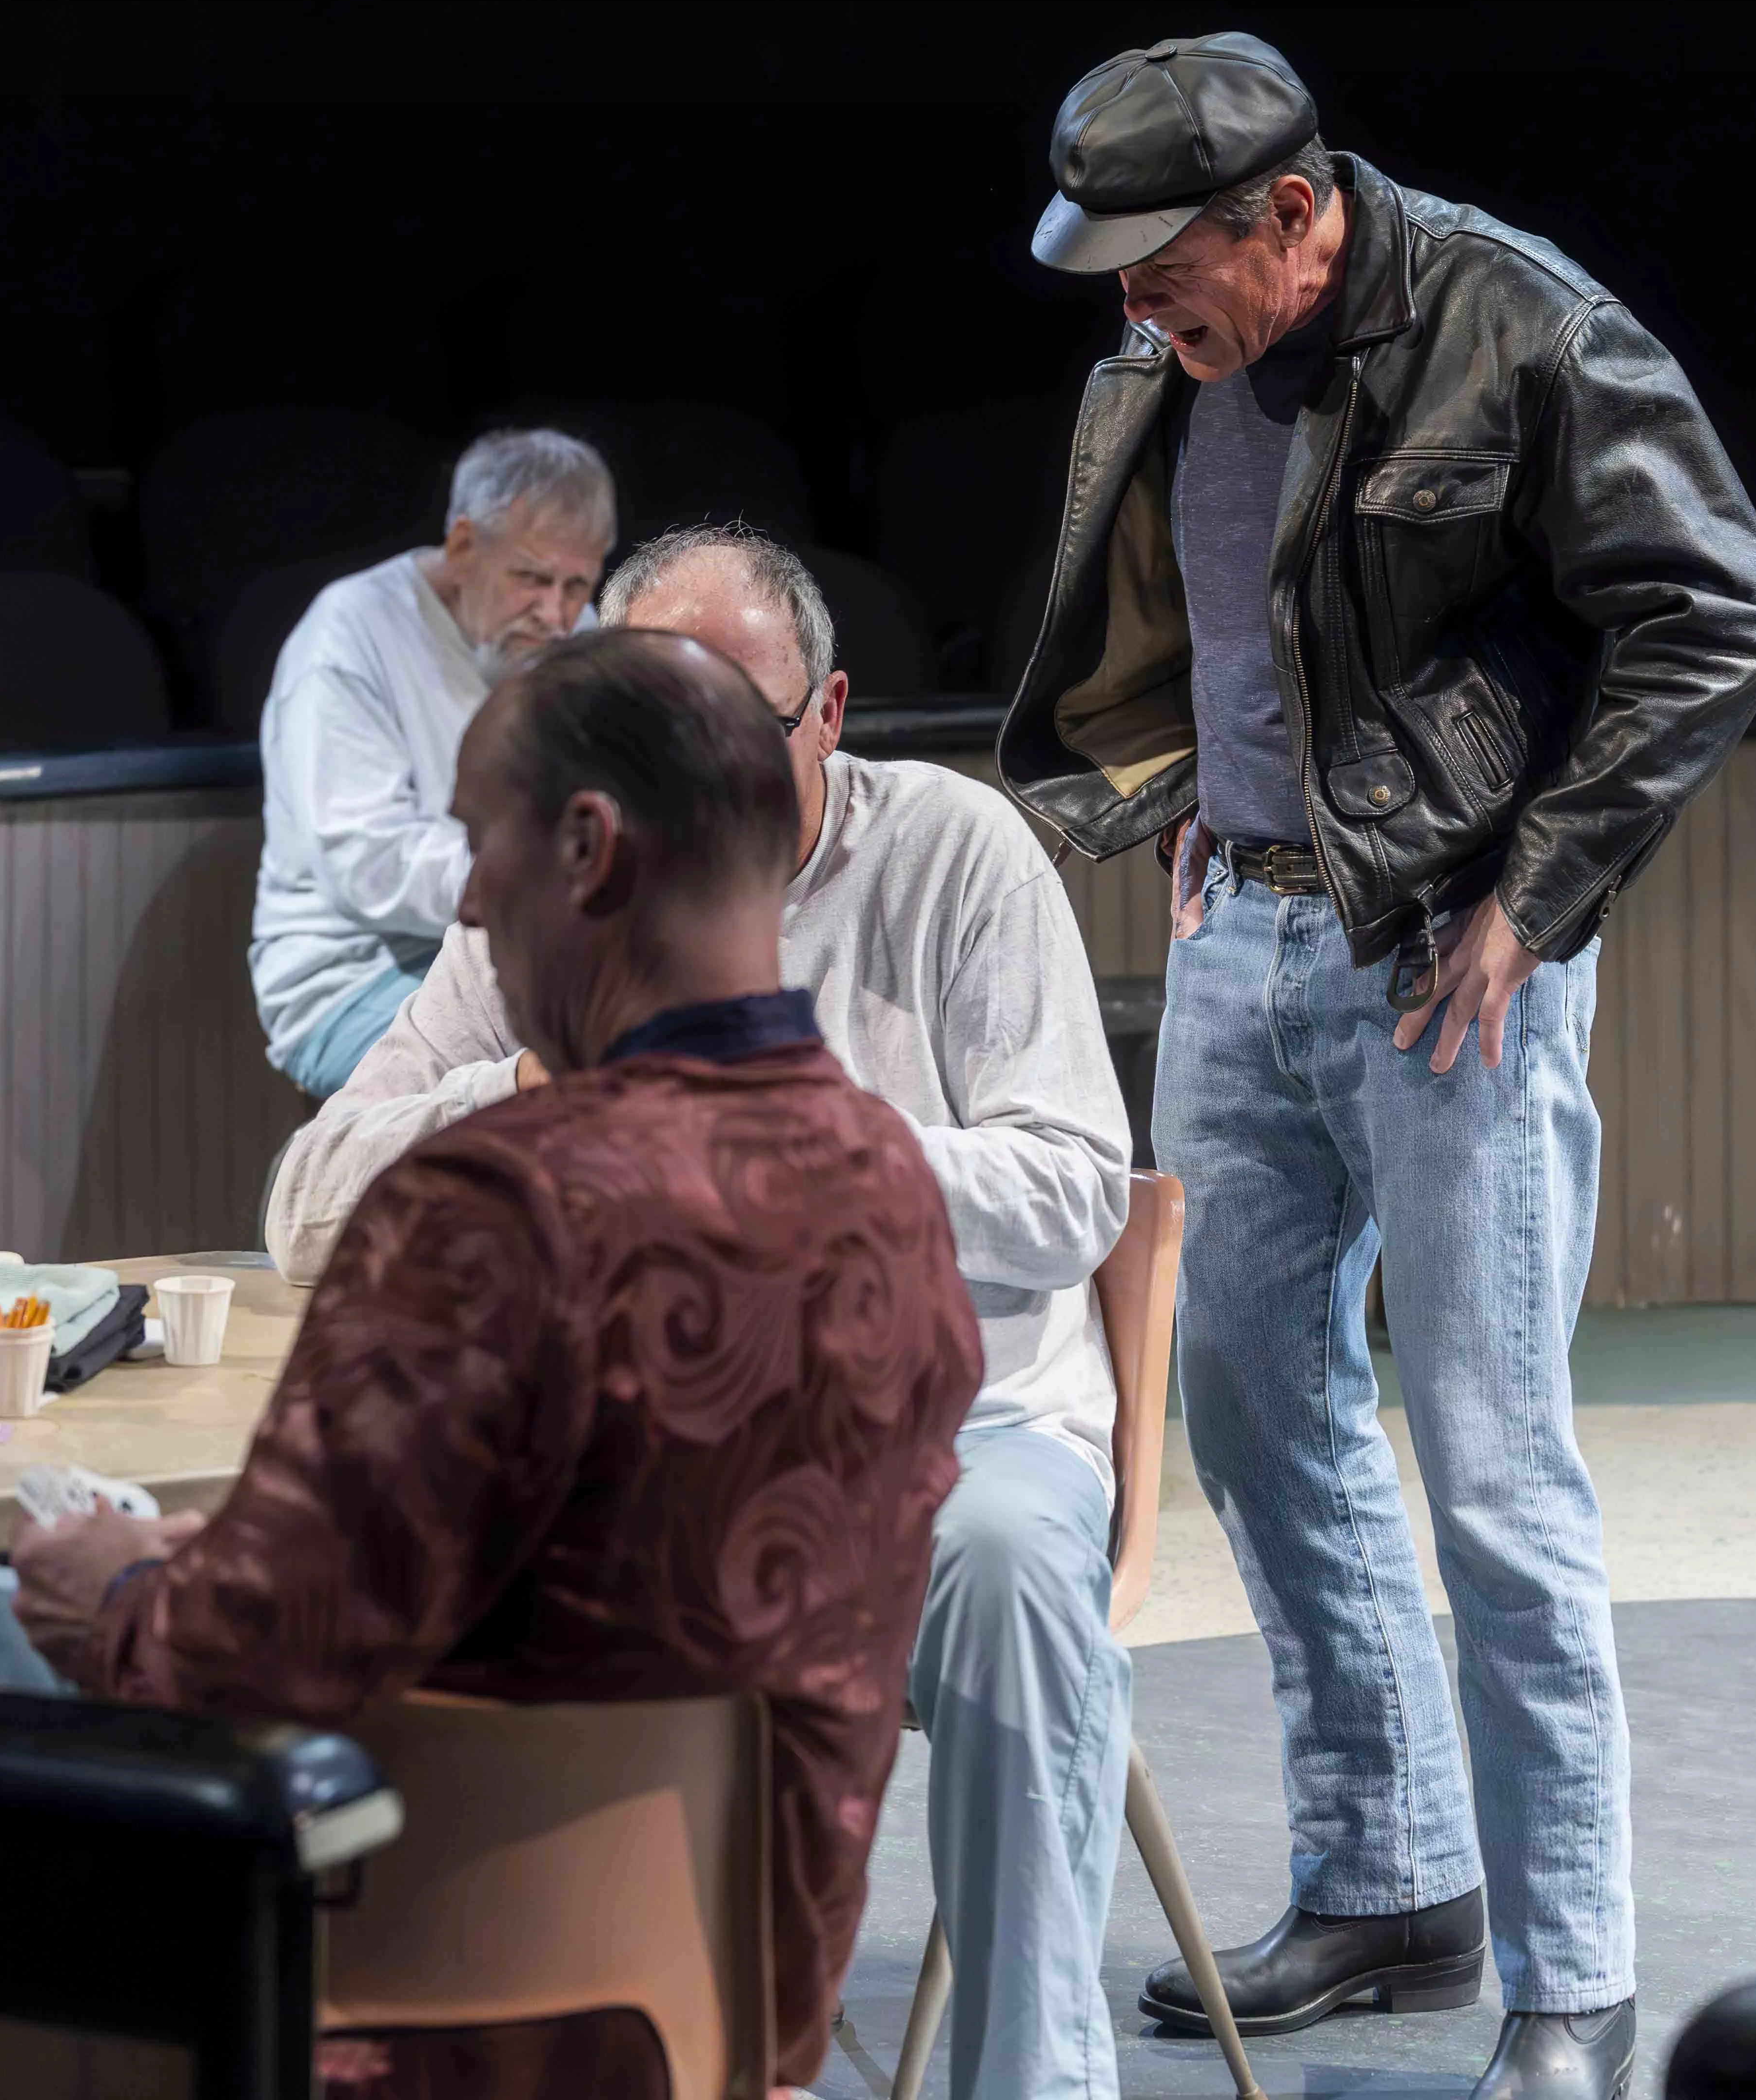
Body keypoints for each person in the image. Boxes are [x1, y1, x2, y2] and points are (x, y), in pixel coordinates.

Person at [0, 628, 986, 2100]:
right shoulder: (889, 1186)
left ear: (588, 849)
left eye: (482, 846)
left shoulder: (495, 1209)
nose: (472, 899)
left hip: (410, 1986)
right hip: (717, 1998)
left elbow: (263, 1650)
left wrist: (121, 1595)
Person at [1008, 34, 1756, 2100]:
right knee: (1256, 1418)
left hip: (1457, 965)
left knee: (1497, 1477)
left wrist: (1539, 893)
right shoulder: (1160, 362)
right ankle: (1391, 1879)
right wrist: (1187, 783)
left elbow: (1715, 605)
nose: (1127, 307)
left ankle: (1570, 1982)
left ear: (1293, 212)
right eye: (1108, 271)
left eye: (1161, 261)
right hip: (1234, 937)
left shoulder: (1513, 321)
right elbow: (1213, 621)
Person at [268, 526, 1138, 2100]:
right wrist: (526, 1084)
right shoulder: (556, 885)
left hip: (958, 1440)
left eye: (736, 719)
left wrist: (795, 1161)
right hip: (640, 1461)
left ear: (829, 715)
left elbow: (1079, 1185)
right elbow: (310, 1200)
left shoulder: (955, 851)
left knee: (1012, 1570)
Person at [247, 426, 612, 1096]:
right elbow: (369, 866)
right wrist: (549, 880)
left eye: (576, 585)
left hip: (517, 956)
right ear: (465, 546)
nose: (557, 615)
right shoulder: (350, 634)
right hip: (355, 976)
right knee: (577, 1073)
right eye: (532, 578)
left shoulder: (577, 632)